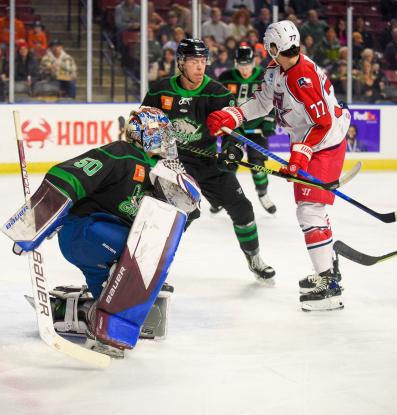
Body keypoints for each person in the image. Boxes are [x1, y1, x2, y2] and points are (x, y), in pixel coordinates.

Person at [4, 107, 201, 357]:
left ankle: (84, 313)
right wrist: (33, 224)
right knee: (143, 258)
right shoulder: (122, 154)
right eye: (161, 132)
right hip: (85, 232)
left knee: (117, 299)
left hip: (102, 246)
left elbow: (180, 220)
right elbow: (67, 174)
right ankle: (106, 321)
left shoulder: (161, 171)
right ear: (145, 133)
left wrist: (185, 198)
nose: (167, 139)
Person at [207, 21, 351, 311]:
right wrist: (233, 115)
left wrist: (301, 154)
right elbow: (261, 104)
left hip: (325, 145)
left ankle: (329, 286)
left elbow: (323, 124)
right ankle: (329, 269)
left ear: (272, 47)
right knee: (311, 209)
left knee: (309, 210)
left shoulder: (303, 77)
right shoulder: (275, 71)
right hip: (311, 145)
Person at [142, 38, 276, 283]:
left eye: (203, 61)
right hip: (173, 164)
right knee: (172, 217)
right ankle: (151, 266)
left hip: (206, 162)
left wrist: (232, 150)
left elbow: (232, 128)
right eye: (194, 61)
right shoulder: (160, 91)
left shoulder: (217, 93)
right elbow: (145, 126)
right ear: (180, 63)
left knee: (242, 208)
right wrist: (152, 152)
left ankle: (254, 258)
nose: (200, 67)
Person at [217, 44, 277, 215]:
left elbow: (272, 101)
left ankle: (263, 194)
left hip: (257, 127)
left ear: (254, 62)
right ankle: (222, 197)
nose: (245, 69)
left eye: (248, 65)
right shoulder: (225, 78)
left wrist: (268, 122)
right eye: (242, 65)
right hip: (235, 127)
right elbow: (217, 101)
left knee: (257, 164)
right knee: (230, 161)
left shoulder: (264, 77)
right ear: (236, 63)